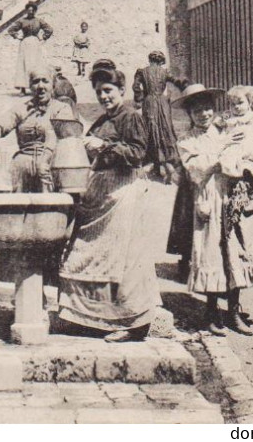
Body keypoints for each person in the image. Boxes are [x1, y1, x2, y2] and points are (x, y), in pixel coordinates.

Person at [58, 61, 159, 342]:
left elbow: (139, 153)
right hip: (100, 195)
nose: (104, 97)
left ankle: (133, 324)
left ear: (121, 90)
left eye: (108, 90)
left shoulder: (131, 117)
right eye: (99, 92)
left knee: (123, 259)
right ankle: (91, 319)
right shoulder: (101, 121)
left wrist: (104, 146)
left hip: (122, 193)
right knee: (87, 253)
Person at [176, 83, 253, 336]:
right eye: (198, 111)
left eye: (207, 109)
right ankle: (210, 312)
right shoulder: (187, 141)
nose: (204, 114)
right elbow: (196, 171)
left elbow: (248, 152)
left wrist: (250, 170)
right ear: (190, 114)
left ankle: (234, 311)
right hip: (208, 198)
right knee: (210, 253)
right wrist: (221, 154)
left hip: (232, 197)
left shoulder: (227, 128)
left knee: (235, 251)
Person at [0, 66, 73, 193]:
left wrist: (45, 161)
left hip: (49, 164)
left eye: (45, 81)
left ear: (53, 85)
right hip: (22, 165)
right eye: (36, 82)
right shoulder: (22, 109)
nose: (40, 86)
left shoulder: (62, 108)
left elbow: (59, 136)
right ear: (30, 87)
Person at [133, 50, 184, 181]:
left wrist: (139, 98)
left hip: (149, 101)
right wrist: (183, 85)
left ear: (150, 59)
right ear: (161, 61)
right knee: (165, 128)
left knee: (151, 128)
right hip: (162, 102)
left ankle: (154, 162)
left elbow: (135, 86)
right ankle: (168, 160)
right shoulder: (164, 72)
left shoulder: (142, 71)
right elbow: (176, 81)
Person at [8, 2, 53, 94]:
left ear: (35, 11)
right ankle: (23, 88)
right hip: (25, 44)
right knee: (23, 65)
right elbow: (11, 30)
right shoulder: (22, 21)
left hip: (35, 44)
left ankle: (36, 88)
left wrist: (44, 37)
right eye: (29, 10)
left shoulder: (39, 20)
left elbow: (49, 29)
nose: (31, 12)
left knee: (35, 65)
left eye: (32, 10)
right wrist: (17, 36)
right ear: (26, 11)